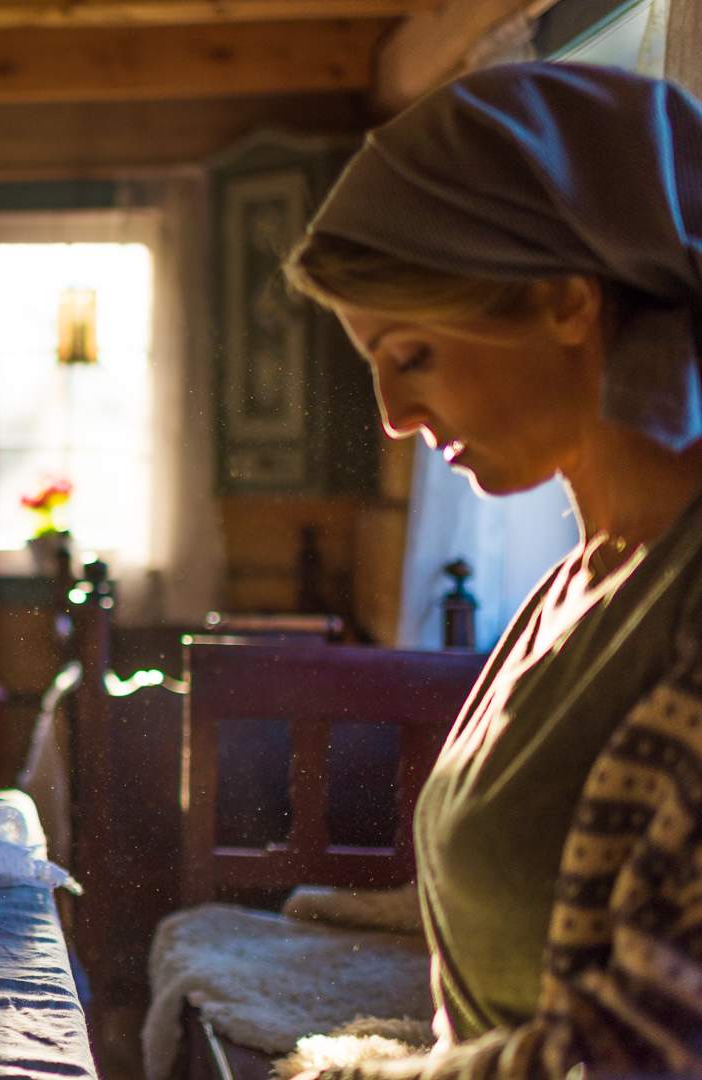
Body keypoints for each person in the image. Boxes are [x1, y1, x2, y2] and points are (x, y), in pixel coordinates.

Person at [281, 62, 702, 1078]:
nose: (392, 417)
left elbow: (654, 1051)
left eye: (413, 353)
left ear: (567, 301)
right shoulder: (578, 585)